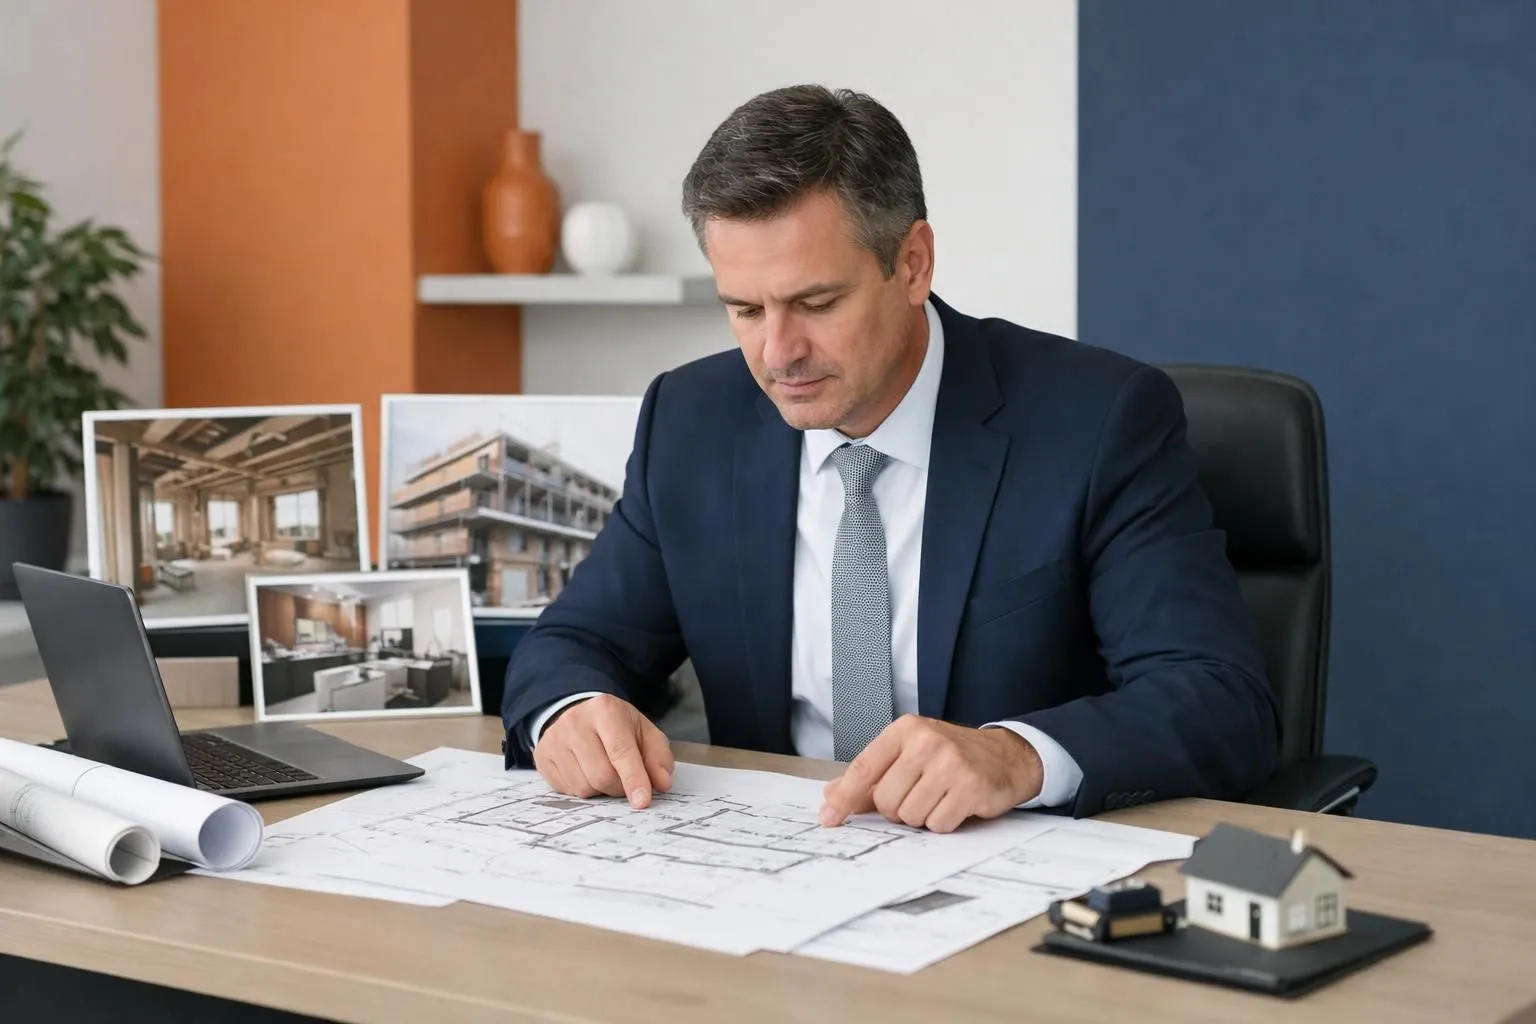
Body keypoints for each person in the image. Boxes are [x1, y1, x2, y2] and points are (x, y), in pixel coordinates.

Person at [501, 84, 1279, 833]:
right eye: (744, 309)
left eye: (815, 304)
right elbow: (575, 644)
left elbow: (1219, 700)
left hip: (999, 865)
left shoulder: (1097, 420)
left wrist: (1016, 757)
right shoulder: (692, 421)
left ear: (912, 263)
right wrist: (570, 712)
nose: (777, 353)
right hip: (768, 860)